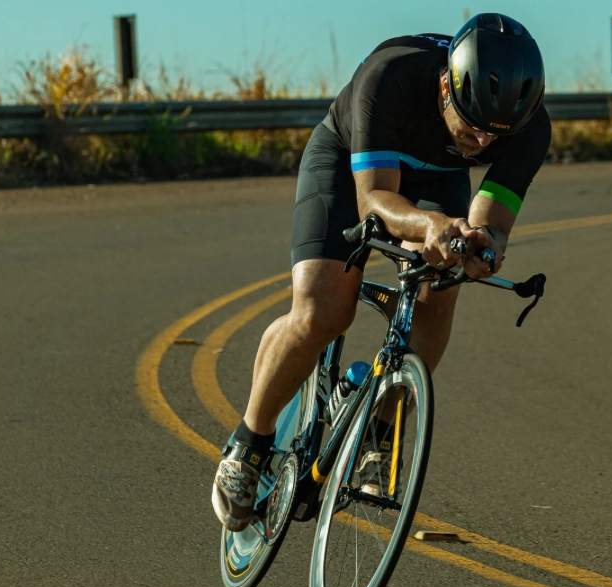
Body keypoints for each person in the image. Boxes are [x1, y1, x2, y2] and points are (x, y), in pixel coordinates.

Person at [212, 12, 551, 531]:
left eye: (493, 136)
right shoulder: (390, 74)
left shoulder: (529, 127)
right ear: (445, 85)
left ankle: (380, 429)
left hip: (439, 179)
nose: (481, 143)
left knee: (442, 292)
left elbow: (493, 220)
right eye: (472, 126)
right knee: (324, 311)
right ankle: (249, 443)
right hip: (350, 161)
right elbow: (374, 201)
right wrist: (431, 225)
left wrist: (484, 245)